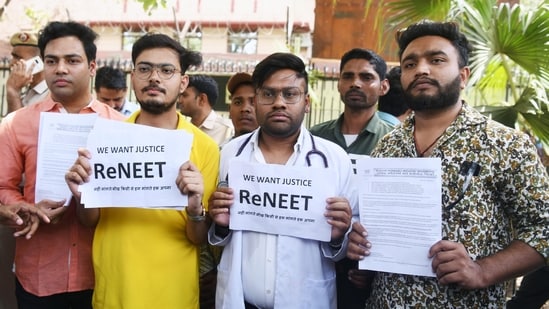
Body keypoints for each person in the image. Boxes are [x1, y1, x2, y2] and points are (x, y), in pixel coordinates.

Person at [347, 20, 549, 308]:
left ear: (463, 76)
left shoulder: (505, 144)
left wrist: (483, 270)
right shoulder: (387, 146)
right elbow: (375, 228)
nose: (421, 69)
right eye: (410, 64)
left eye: (437, 60)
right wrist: (362, 249)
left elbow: (544, 228)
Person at [65, 33, 220, 309]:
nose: (154, 78)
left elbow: (198, 238)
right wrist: (81, 195)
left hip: (174, 294)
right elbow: (89, 221)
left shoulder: (205, 148)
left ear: (183, 81)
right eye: (145, 69)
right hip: (115, 291)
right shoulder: (105, 137)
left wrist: (195, 208)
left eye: (167, 70)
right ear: (133, 77)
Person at [208, 52, 356, 308]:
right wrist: (220, 224)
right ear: (255, 101)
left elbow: (348, 246)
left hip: (306, 299)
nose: (279, 103)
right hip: (240, 301)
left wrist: (337, 236)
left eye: (290, 94)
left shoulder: (334, 159)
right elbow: (223, 234)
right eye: (268, 94)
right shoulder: (231, 153)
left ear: (306, 102)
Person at [0, 21, 125, 309]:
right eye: (51, 61)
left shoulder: (119, 126)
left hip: (102, 274)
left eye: (72, 60)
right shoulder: (16, 123)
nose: (60, 69)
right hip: (39, 273)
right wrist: (24, 207)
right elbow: (4, 186)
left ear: (92, 67)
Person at [310, 48, 394, 309]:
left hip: (367, 266)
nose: (356, 83)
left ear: (383, 86)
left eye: (366, 77)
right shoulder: (314, 139)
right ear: (339, 84)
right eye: (348, 76)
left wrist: (373, 265)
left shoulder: (396, 141)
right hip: (315, 258)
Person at [179, 74, 234, 144]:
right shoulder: (181, 129)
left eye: (184, 95)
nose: (179, 101)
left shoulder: (228, 130)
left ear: (202, 99)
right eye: (180, 96)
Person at [6, 31, 49, 113]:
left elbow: (18, 125)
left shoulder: (52, 96)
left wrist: (13, 91)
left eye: (17, 57)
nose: (11, 63)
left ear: (38, 61)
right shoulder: (28, 92)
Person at [226, 72, 258, 137]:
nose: (245, 108)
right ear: (229, 110)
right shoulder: (221, 147)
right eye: (238, 102)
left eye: (253, 102)